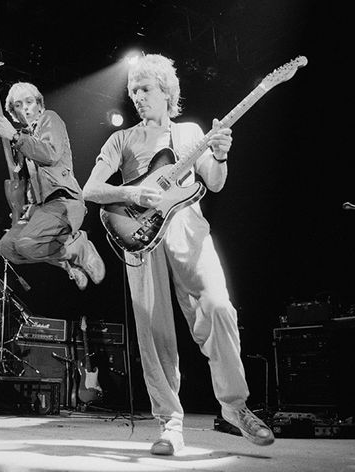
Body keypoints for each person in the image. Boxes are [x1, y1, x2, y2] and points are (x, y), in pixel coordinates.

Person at [82, 54, 274, 455]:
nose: (136, 96)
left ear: (167, 91)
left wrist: (219, 154)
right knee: (154, 332)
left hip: (187, 228)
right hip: (139, 232)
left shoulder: (191, 133)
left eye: (145, 89)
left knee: (219, 308)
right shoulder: (122, 139)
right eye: (133, 90)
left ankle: (236, 407)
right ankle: (169, 425)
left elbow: (215, 183)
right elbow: (90, 189)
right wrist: (131, 193)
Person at [0, 82, 104, 290]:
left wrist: (15, 137)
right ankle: (69, 263)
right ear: (13, 112)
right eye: (18, 105)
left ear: (39, 104)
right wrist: (22, 206)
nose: (25, 108)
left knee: (26, 243)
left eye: (29, 101)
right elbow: (24, 180)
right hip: (39, 209)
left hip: (63, 201)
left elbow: (50, 154)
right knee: (8, 247)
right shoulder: (23, 140)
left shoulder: (49, 118)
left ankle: (79, 246)